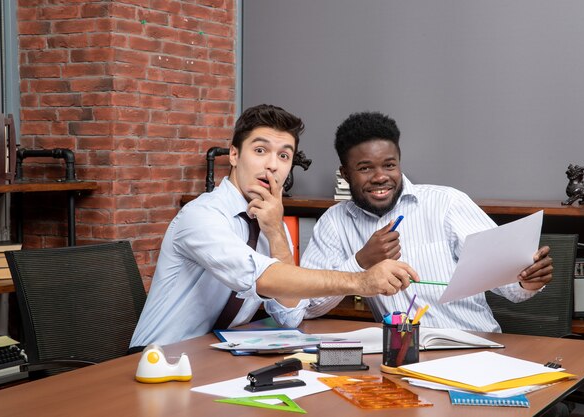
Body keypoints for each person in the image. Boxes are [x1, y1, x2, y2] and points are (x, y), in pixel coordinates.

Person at [130, 105, 419, 349]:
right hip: (161, 357)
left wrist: (276, 232)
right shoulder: (202, 216)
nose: (272, 165)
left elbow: (288, 317)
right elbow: (262, 277)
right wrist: (361, 281)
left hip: (213, 354)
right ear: (233, 155)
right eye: (260, 150)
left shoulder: (269, 219)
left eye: (283, 156)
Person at [301, 111, 553, 332]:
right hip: (401, 357)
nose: (380, 177)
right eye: (365, 168)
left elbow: (509, 286)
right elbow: (308, 306)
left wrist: (527, 281)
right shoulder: (334, 223)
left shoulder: (447, 203)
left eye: (389, 165)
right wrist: (360, 263)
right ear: (345, 174)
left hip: (472, 348)